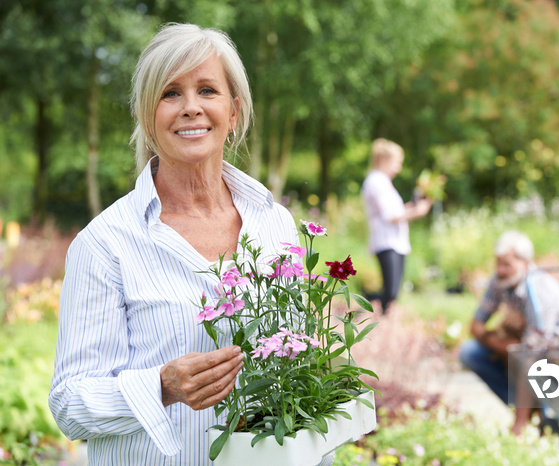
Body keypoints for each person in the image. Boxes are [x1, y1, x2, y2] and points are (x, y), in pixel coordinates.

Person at [48, 24, 303, 465]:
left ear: (234, 112)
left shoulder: (275, 222)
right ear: (147, 117)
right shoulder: (105, 244)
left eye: (207, 90)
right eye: (170, 94)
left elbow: (298, 357)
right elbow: (70, 404)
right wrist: (161, 387)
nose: (191, 108)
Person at [458, 231, 559, 435]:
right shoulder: (500, 281)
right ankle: (529, 410)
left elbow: (533, 350)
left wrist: (508, 346)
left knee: (526, 361)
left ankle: (520, 425)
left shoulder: (539, 289)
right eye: (498, 263)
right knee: (470, 352)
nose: (500, 270)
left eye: (507, 265)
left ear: (525, 263)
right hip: (527, 342)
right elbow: (475, 325)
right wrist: (502, 345)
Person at [361, 138, 432, 314]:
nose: (399, 167)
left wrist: (415, 206)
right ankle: (365, 303)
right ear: (383, 160)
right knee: (391, 291)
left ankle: (372, 307)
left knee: (392, 291)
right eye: (397, 162)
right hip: (386, 241)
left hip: (394, 241)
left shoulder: (383, 182)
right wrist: (418, 211)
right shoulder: (376, 181)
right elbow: (391, 215)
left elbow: (397, 210)